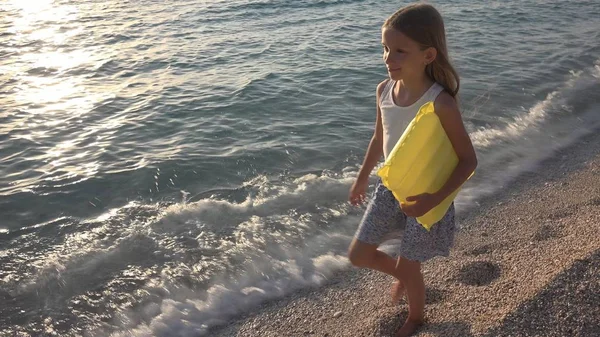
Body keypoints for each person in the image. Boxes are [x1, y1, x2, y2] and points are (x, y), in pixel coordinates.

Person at [347, 3, 478, 336]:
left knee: (410, 265)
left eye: (400, 52)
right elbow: (380, 138)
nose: (388, 59)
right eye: (386, 49)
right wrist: (362, 177)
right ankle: (405, 278)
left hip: (426, 197)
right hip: (389, 190)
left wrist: (433, 199)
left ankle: (416, 316)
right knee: (359, 254)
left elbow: (468, 160)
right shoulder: (384, 92)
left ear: (428, 55)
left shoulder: (440, 103)